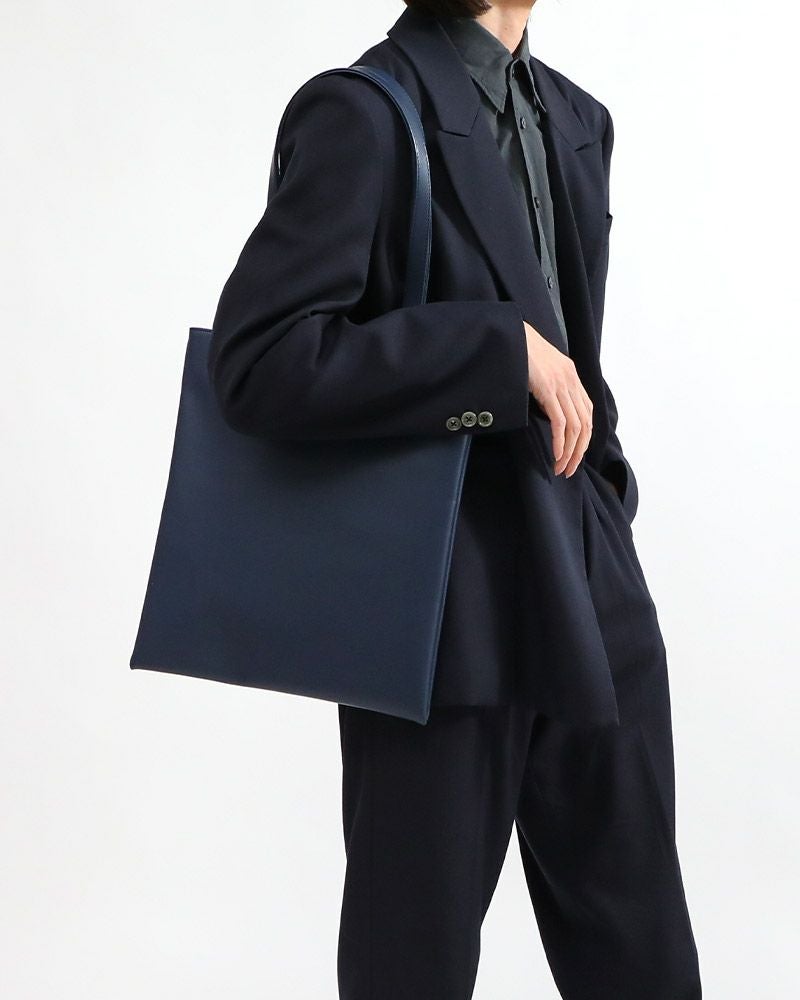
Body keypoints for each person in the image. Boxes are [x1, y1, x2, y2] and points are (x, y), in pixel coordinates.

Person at [208, 1, 703, 996]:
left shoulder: (577, 119)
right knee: (412, 961)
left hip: (588, 574)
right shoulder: (362, 112)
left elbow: (575, 345)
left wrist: (605, 499)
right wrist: (491, 353)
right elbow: (261, 363)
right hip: (441, 602)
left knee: (641, 951)